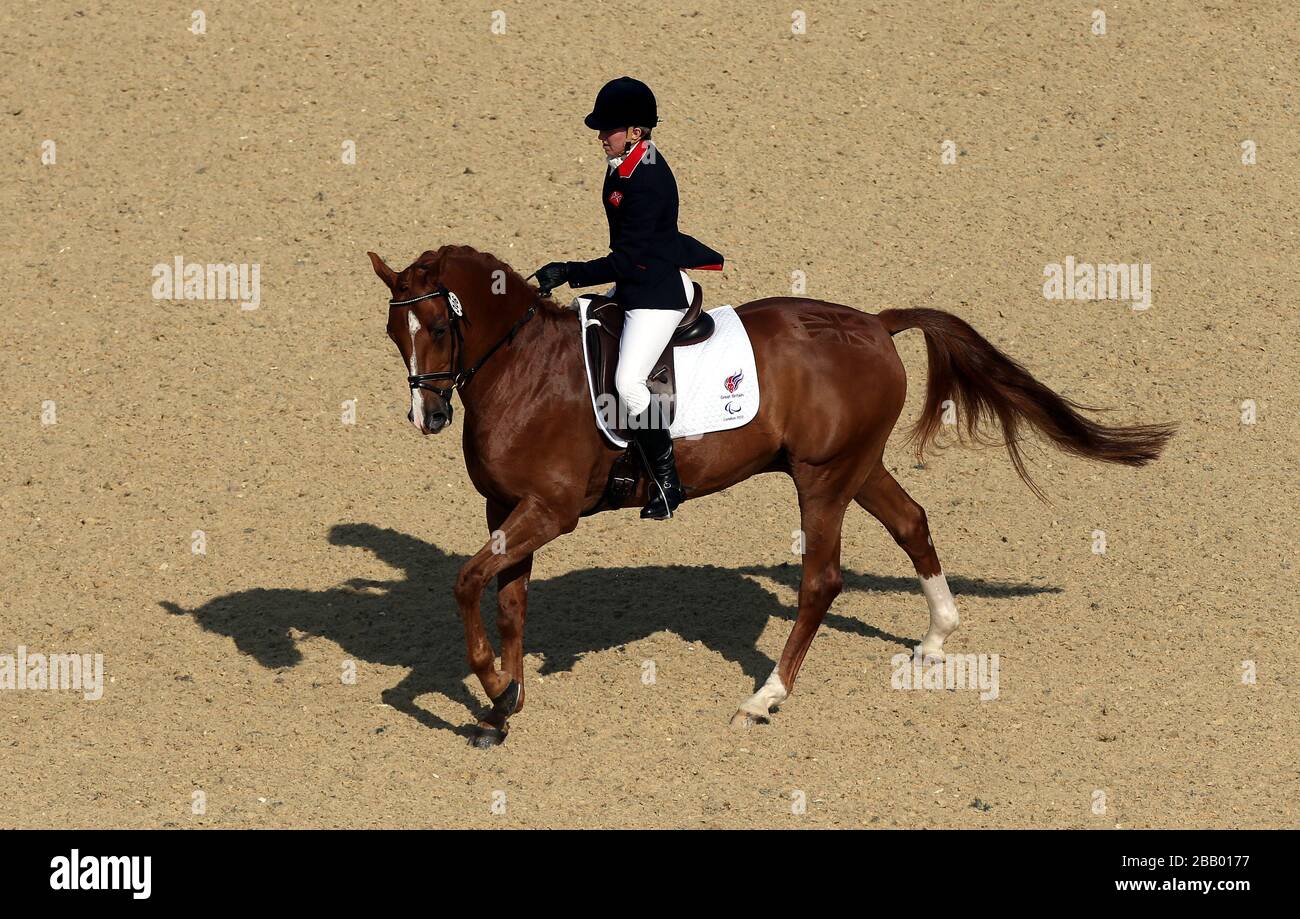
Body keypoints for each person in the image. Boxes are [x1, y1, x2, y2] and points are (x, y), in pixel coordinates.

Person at [535, 77, 724, 520]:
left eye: (609, 129)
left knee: (628, 386)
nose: (601, 136)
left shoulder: (649, 178)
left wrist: (570, 272)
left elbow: (629, 260)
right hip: (635, 279)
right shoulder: (625, 165)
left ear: (635, 132)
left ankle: (667, 480)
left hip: (653, 294)